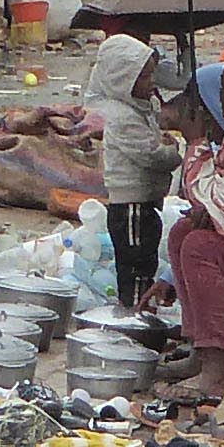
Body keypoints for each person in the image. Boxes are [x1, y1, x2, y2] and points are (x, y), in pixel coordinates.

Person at [78, 16, 182, 308]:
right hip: (131, 207)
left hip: (145, 202)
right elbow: (151, 156)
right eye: (145, 78)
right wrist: (173, 153)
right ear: (123, 81)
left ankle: (140, 308)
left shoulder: (139, 108)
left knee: (145, 261)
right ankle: (135, 312)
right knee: (136, 265)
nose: (152, 83)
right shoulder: (123, 118)